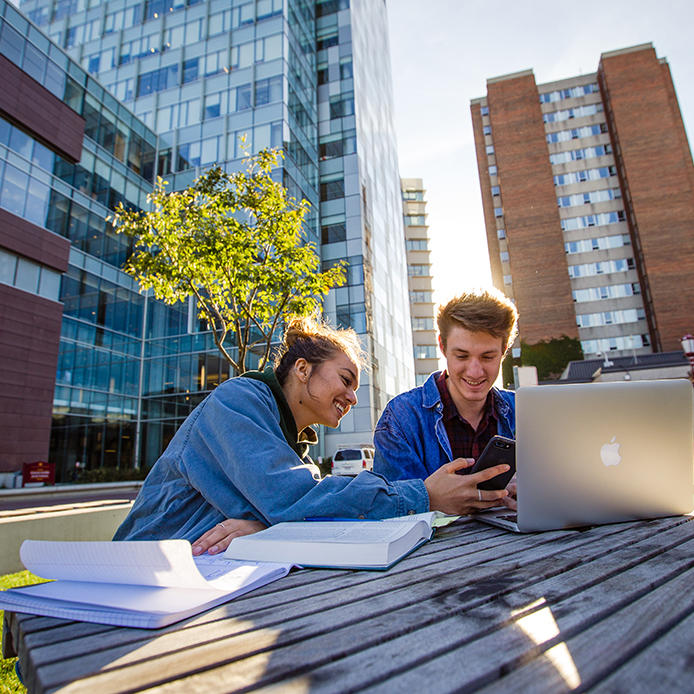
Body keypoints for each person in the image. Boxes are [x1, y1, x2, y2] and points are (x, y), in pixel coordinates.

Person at [114, 316, 510, 551]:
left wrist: (270, 525)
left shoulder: (291, 446)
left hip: (194, 582)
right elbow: (295, 499)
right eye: (346, 379)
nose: (353, 397)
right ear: (302, 369)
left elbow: (300, 508)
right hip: (136, 573)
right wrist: (423, 494)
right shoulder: (237, 401)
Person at [373, 288, 519, 508]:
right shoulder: (400, 418)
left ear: (504, 350)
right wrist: (431, 499)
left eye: (487, 357)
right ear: (442, 346)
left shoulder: (524, 410)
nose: (475, 371)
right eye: (462, 356)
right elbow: (390, 506)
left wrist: (535, 488)